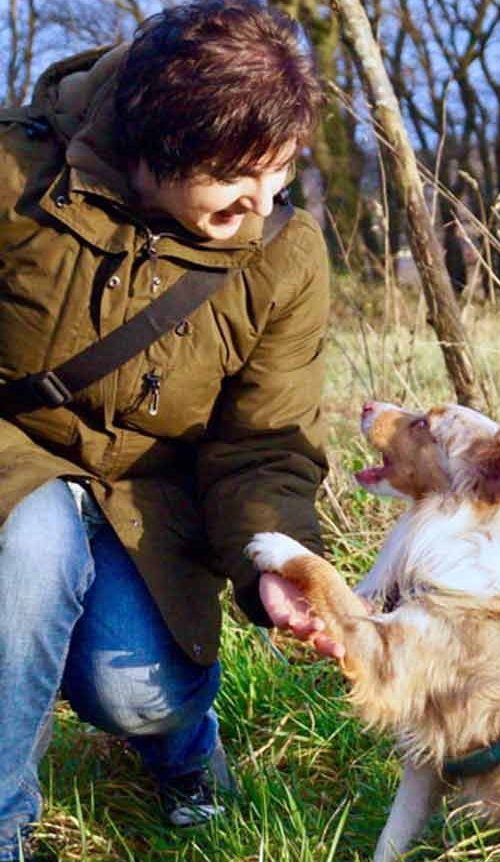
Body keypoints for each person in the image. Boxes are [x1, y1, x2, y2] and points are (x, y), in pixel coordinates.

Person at [0, 2, 339, 859]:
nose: (260, 208)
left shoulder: (286, 255)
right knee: (32, 557)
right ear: (156, 151)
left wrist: (279, 561)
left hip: (149, 495)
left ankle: (186, 753)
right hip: (11, 455)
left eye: (282, 177)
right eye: (236, 180)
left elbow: (264, 442)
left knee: (138, 693)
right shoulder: (13, 176)